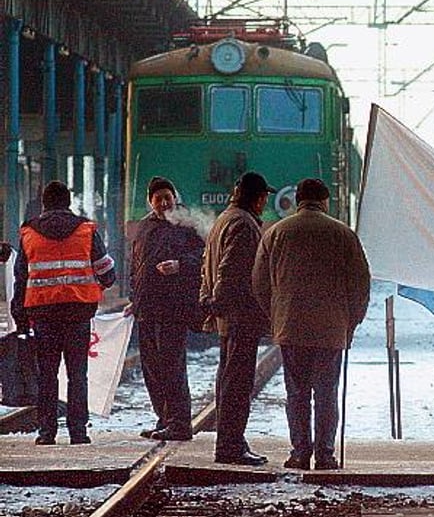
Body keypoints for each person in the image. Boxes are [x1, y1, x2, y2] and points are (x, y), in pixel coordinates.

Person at [252, 178, 370, 470]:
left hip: (291, 327)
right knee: (327, 393)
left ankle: (300, 453)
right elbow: (360, 285)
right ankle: (325, 455)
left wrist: (276, 315)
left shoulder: (276, 232)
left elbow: (259, 282)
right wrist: (350, 322)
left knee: (297, 393)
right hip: (331, 329)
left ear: (298, 201)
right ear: (325, 201)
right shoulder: (343, 234)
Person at [10, 180, 115, 445]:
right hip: (78, 314)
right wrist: (99, 283)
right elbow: (106, 271)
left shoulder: (29, 233)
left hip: (43, 315)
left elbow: (21, 277)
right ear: (68, 202)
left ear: (44, 204)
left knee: (47, 374)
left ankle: (47, 433)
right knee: (77, 374)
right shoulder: (86, 230)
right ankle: (78, 432)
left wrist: (19, 314)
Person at [201, 171, 275, 466]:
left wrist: (208, 300)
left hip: (229, 316)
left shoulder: (224, 219)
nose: (265, 203)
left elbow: (207, 265)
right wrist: (218, 301)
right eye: (264, 198)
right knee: (237, 383)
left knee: (229, 379)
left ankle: (232, 441)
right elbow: (230, 270)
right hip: (240, 315)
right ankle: (230, 446)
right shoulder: (244, 225)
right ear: (258, 199)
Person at [128, 177, 205, 441]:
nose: (163, 202)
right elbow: (136, 265)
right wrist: (135, 299)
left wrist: (180, 265)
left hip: (173, 308)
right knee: (152, 369)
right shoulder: (145, 227)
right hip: (147, 308)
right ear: (150, 201)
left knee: (172, 367)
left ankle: (180, 423)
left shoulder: (186, 225)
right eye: (158, 198)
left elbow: (203, 258)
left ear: (175, 198)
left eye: (167, 197)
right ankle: (164, 418)